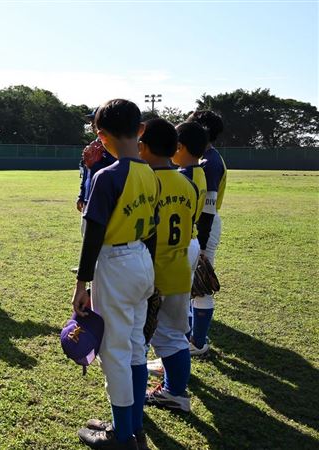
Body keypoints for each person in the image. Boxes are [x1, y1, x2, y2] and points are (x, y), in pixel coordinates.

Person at [71, 99, 158, 450]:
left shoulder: (107, 176)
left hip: (115, 264)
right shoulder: (150, 173)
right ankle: (132, 426)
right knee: (135, 348)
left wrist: (81, 284)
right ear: (140, 131)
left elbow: (93, 235)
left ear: (100, 135)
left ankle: (121, 437)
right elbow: (151, 229)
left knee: (115, 354)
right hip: (141, 261)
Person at [137, 118, 199, 414]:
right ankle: (175, 391)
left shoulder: (146, 181)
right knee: (175, 337)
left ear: (143, 146)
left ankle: (168, 394)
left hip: (151, 274)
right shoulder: (186, 182)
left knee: (141, 342)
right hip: (179, 268)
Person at [185, 111, 227, 356]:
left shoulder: (209, 162)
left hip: (205, 226)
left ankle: (197, 343)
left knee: (200, 285)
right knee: (194, 285)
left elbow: (208, 208)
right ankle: (195, 337)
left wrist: (200, 243)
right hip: (201, 225)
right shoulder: (206, 158)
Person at [77, 110, 117, 220]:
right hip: (87, 200)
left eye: (95, 120)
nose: (92, 124)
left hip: (103, 203)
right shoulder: (93, 145)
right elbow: (87, 174)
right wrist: (81, 196)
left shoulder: (113, 146)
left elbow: (114, 173)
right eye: (91, 121)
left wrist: (94, 166)